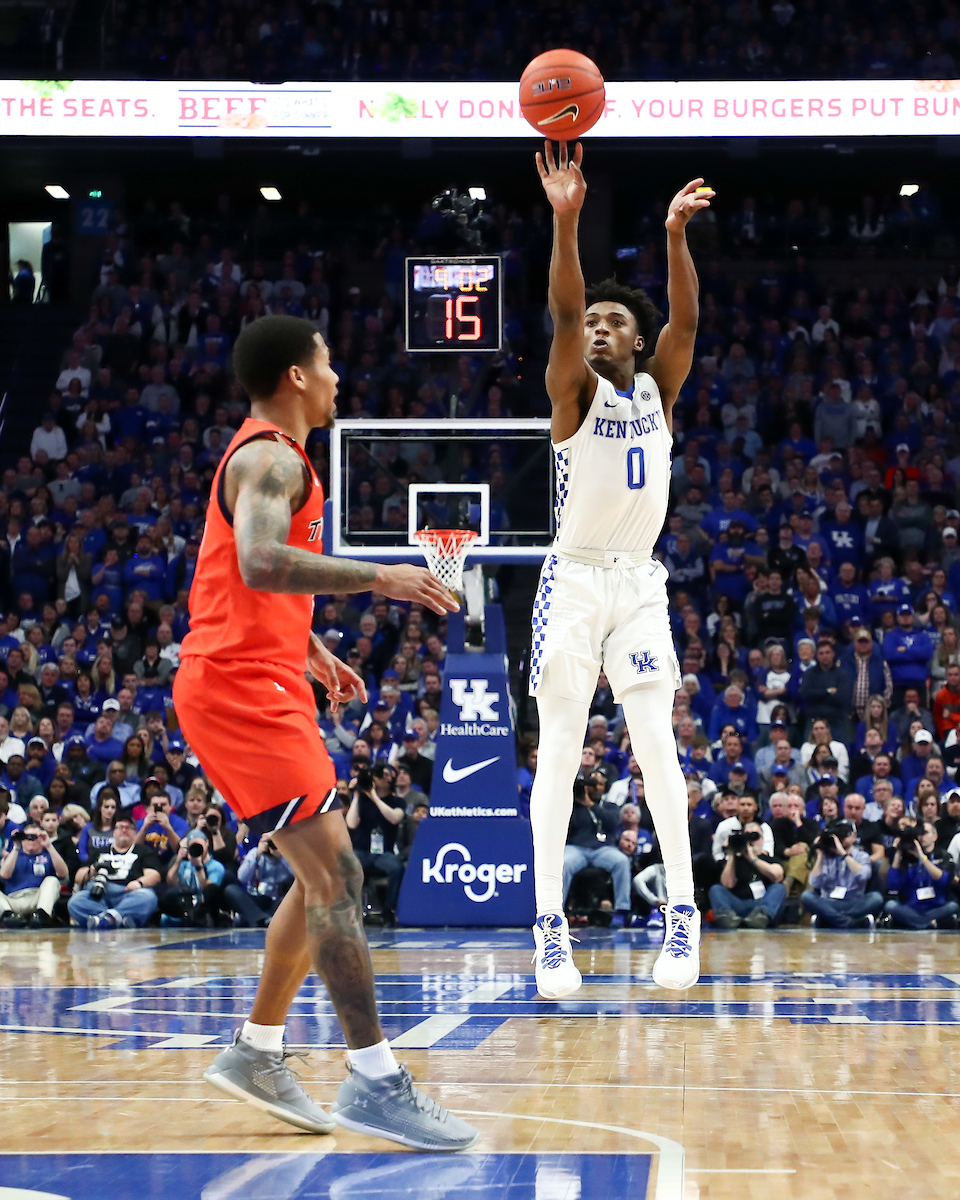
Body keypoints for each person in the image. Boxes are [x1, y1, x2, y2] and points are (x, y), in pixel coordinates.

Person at [171, 315, 475, 1151]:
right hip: (237, 690)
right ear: (298, 376)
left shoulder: (277, 457)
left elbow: (251, 577)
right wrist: (380, 575)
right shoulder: (269, 455)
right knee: (340, 876)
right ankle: (376, 1079)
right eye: (329, 361)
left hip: (263, 678)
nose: (338, 375)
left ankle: (258, 1051)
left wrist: (309, 649)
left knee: (320, 881)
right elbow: (260, 563)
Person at [527, 141, 711, 997]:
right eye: (592, 320)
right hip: (570, 580)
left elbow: (687, 325)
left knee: (656, 749)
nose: (598, 327)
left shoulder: (658, 389)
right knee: (560, 754)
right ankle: (549, 928)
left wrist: (674, 236)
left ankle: (682, 912)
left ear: (635, 338)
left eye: (612, 322)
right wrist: (565, 222)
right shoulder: (575, 387)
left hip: (637, 581)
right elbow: (564, 315)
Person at [67, 811, 162, 929]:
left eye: (128, 828)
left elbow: (154, 875)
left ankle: (105, 919)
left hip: (128, 893)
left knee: (148, 897)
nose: (124, 830)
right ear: (114, 832)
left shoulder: (143, 851)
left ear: (134, 832)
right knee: (75, 902)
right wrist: (92, 871)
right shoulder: (100, 851)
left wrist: (139, 883)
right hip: (100, 894)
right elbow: (79, 877)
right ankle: (119, 919)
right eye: (120, 827)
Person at [562, 776, 633, 922]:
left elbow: (613, 823)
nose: (596, 787)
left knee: (621, 861)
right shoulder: (571, 806)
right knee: (564, 863)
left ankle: (621, 910)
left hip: (603, 849)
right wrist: (575, 802)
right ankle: (557, 908)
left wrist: (591, 805)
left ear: (604, 787)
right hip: (577, 848)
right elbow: (566, 828)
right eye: (591, 784)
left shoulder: (609, 806)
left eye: (599, 784)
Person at [345, 767, 404, 925]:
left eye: (384, 775)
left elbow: (394, 818)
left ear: (389, 780)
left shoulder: (397, 801)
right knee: (346, 865)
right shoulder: (362, 802)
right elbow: (351, 823)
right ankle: (350, 910)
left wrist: (374, 796)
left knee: (396, 868)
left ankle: (388, 910)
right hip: (362, 851)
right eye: (378, 775)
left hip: (384, 853)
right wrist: (357, 795)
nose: (380, 778)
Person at [801, 820, 884, 928]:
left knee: (876, 898)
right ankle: (849, 922)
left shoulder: (861, 856)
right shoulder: (826, 856)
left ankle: (831, 920)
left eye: (845, 834)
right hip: (829, 902)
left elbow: (864, 875)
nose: (841, 838)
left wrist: (843, 854)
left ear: (854, 837)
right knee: (806, 896)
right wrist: (820, 856)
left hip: (854, 902)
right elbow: (815, 883)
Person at [708, 820, 786, 928]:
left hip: (762, 904)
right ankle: (728, 918)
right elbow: (727, 884)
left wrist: (752, 858)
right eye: (747, 837)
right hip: (738, 904)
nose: (751, 841)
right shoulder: (734, 861)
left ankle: (760, 918)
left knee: (779, 888)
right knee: (716, 889)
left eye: (755, 836)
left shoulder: (769, 859)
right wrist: (732, 854)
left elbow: (777, 876)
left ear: (762, 839)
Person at [883, 820, 959, 929]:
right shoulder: (907, 858)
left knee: (953, 906)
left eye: (925, 833)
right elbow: (894, 885)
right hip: (911, 908)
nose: (922, 836)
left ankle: (917, 923)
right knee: (890, 905)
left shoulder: (942, 855)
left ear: (935, 836)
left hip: (936, 907)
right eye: (919, 834)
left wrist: (922, 857)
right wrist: (898, 853)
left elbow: (943, 879)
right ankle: (926, 923)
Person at [0, 820, 68, 927]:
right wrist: (16, 847)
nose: (30, 840)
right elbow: (4, 874)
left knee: (52, 880)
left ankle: (41, 915)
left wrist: (49, 846)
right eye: (26, 837)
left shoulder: (48, 856)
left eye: (34, 837)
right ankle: (9, 916)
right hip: (14, 899)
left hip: (38, 897)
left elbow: (63, 874)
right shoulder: (13, 856)